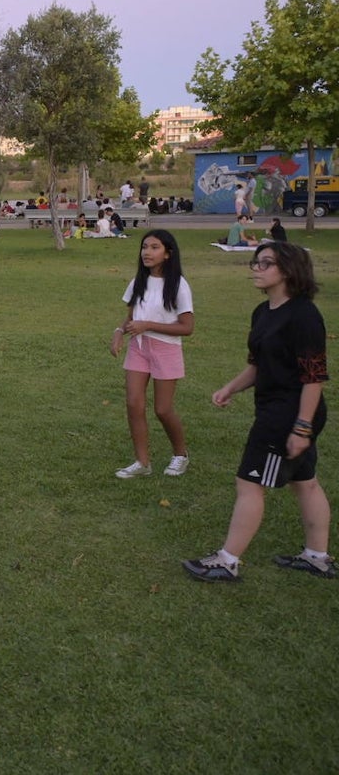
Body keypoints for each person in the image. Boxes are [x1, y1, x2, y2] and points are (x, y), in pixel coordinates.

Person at [182, 242, 331, 582]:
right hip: (279, 409)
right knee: (305, 482)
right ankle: (317, 557)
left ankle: (227, 561)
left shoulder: (304, 315)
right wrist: (230, 388)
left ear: (289, 271)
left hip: (289, 414)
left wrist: (302, 427)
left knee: (249, 483)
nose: (256, 268)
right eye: (256, 262)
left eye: (265, 264)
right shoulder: (264, 312)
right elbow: (259, 365)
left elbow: (314, 377)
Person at [109, 230, 194, 479]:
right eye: (145, 246)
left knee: (163, 409)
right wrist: (118, 332)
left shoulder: (178, 284)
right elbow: (130, 320)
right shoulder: (138, 282)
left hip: (166, 350)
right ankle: (142, 462)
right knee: (134, 404)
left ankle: (180, 455)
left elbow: (187, 328)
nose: (147, 252)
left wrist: (148, 326)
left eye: (155, 247)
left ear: (168, 253)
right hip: (139, 347)